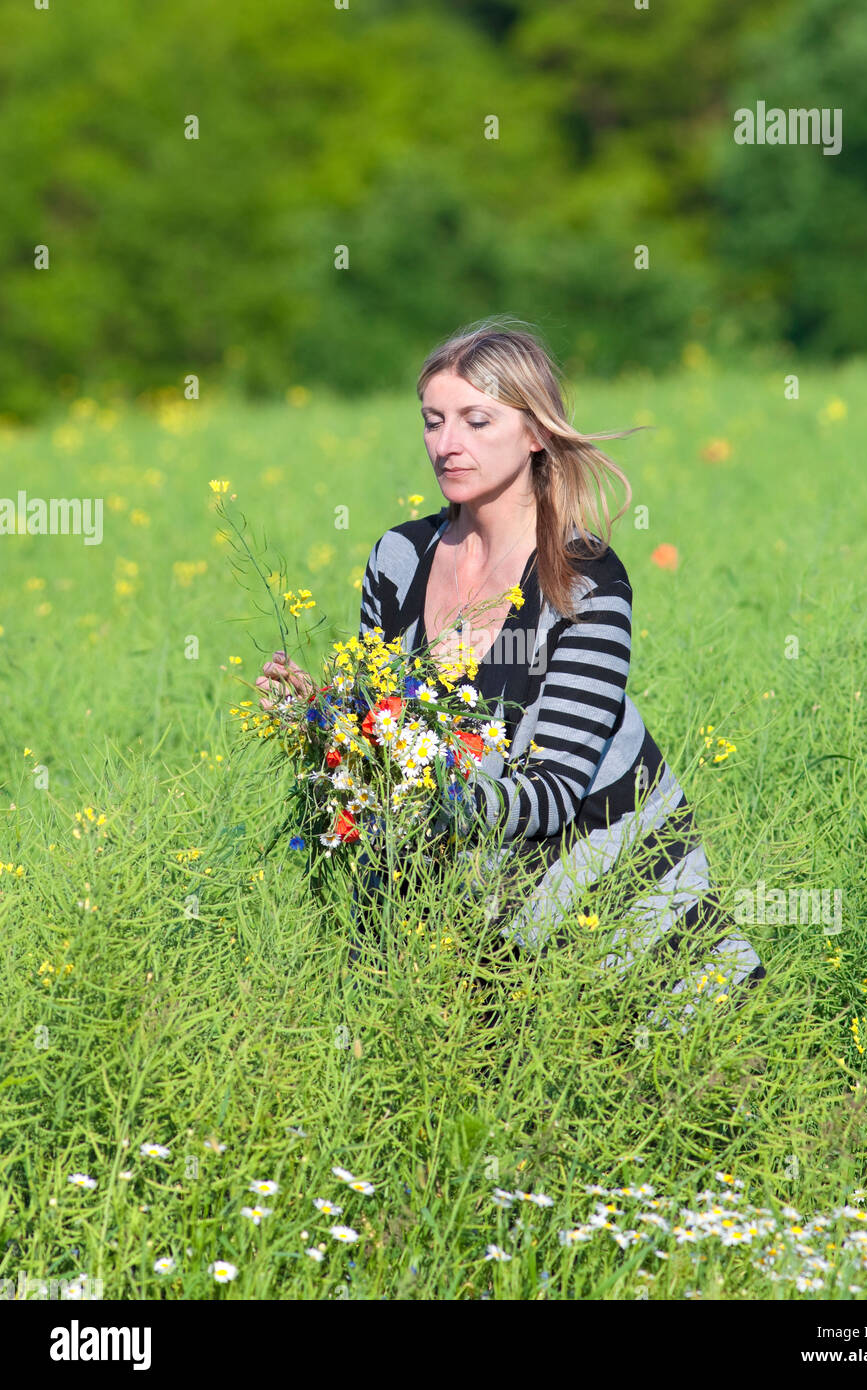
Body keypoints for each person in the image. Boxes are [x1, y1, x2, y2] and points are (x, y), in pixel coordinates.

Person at [258, 315, 764, 1027]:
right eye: (434, 422)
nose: (447, 444)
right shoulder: (398, 560)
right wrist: (318, 715)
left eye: (476, 420)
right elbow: (388, 733)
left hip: (619, 927)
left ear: (534, 433)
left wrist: (438, 803)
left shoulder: (583, 579)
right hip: (465, 927)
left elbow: (555, 790)